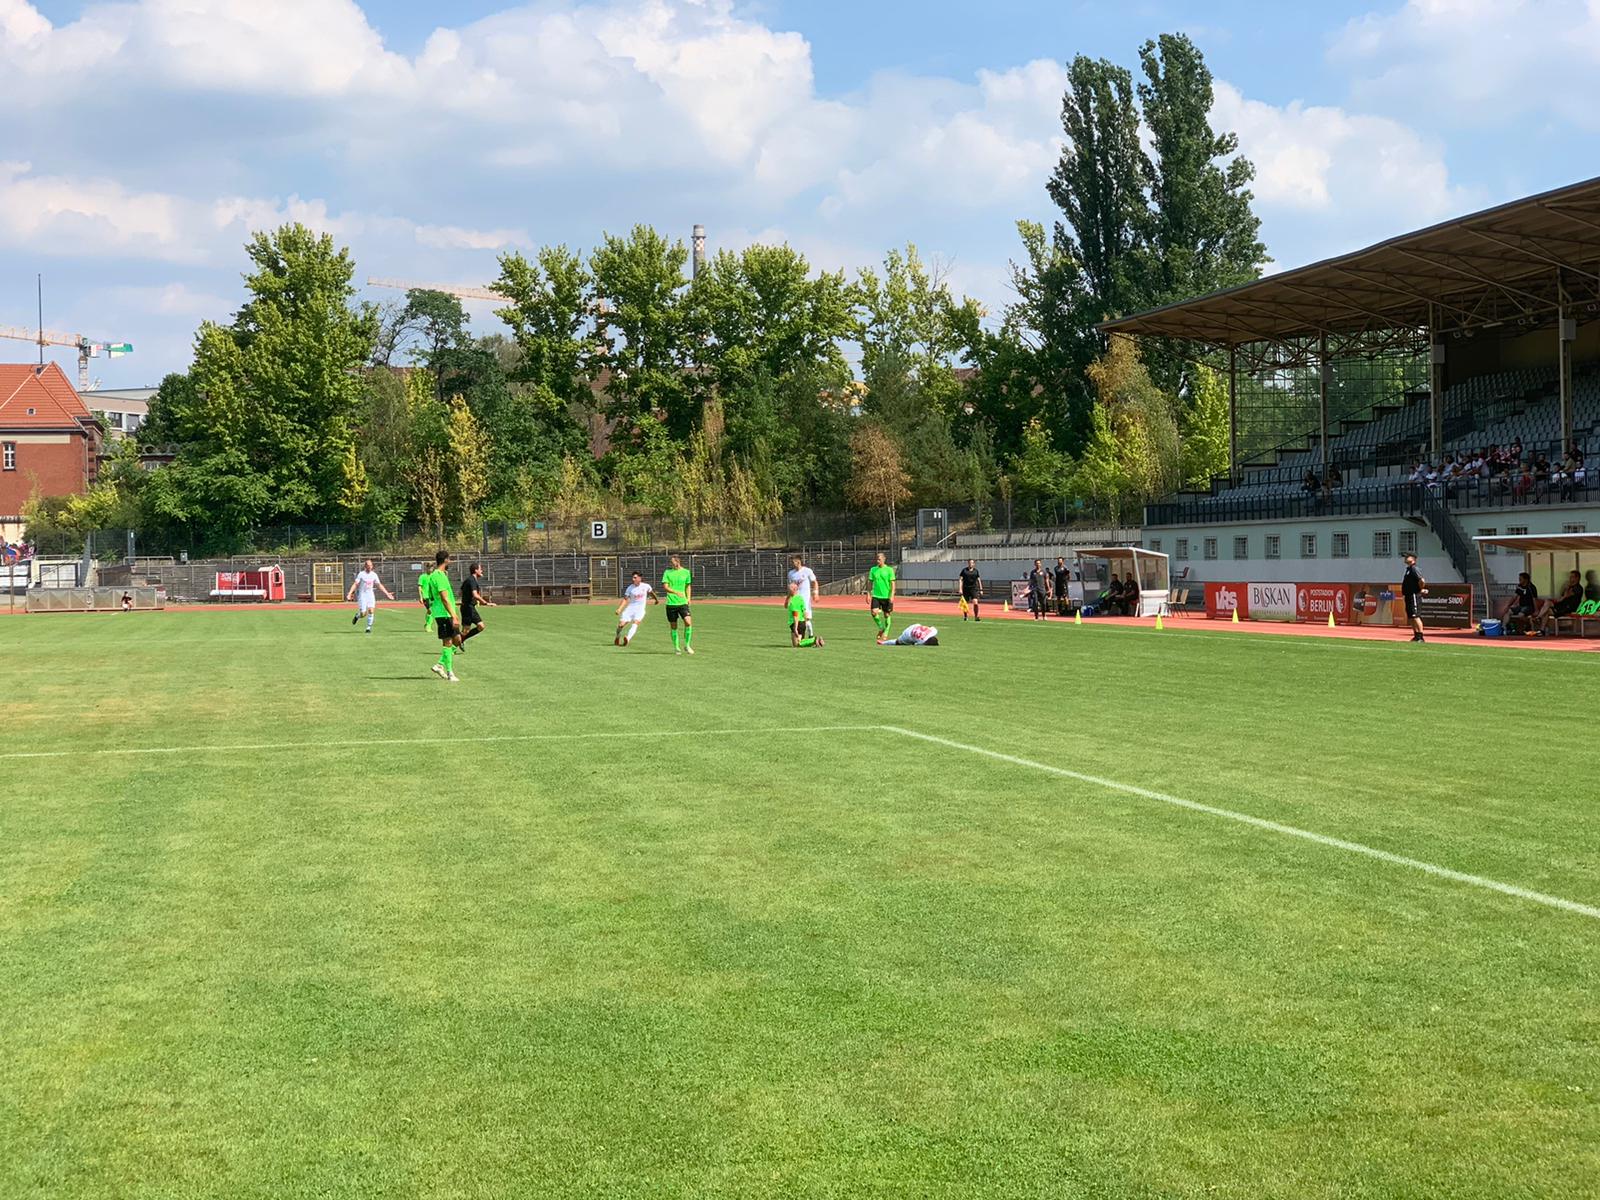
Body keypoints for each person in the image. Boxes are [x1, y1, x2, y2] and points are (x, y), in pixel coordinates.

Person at [425, 549, 462, 681]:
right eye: (449, 559)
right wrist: (453, 615)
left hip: (446, 612)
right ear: (445, 560)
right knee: (448, 642)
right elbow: (444, 598)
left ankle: (440, 664)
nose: (450, 561)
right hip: (443, 613)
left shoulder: (439, 575)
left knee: (458, 639)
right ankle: (450, 672)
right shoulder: (438, 576)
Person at [347, 558, 394, 634]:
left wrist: (387, 593)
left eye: (371, 565)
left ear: (372, 566)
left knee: (371, 611)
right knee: (363, 614)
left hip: (370, 595)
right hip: (362, 595)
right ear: (365, 566)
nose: (369, 567)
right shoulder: (361, 574)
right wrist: (350, 593)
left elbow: (379, 584)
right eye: (368, 565)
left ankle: (368, 628)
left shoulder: (374, 575)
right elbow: (355, 584)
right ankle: (357, 616)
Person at [661, 554, 694, 655]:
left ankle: (687, 645)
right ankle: (676, 647)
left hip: (682, 603)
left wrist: (688, 598)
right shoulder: (667, 572)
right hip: (671, 603)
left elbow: (688, 586)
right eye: (670, 562)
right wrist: (675, 592)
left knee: (688, 622)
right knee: (674, 626)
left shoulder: (686, 572)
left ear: (678, 561)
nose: (671, 564)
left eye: (673, 562)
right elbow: (665, 587)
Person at [457, 562, 494, 651]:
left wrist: (465, 598)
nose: (482, 571)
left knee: (477, 627)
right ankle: (454, 644)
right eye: (480, 569)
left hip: (468, 607)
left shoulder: (468, 580)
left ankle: (460, 640)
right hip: (468, 608)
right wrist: (486, 603)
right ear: (475, 570)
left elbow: (460, 592)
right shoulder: (472, 580)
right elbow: (475, 595)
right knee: (468, 630)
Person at [614, 571, 657, 646]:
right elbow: (625, 599)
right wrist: (619, 609)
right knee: (621, 625)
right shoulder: (630, 588)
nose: (633, 579)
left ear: (640, 578)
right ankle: (617, 636)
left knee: (636, 622)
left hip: (640, 610)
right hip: (630, 609)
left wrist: (656, 599)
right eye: (633, 577)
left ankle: (627, 638)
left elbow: (651, 593)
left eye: (635, 577)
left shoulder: (646, 586)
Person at [1539, 569, 1583, 635]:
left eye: (1572, 577)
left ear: (1577, 578)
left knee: (1547, 611)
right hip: (1561, 605)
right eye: (1570, 577)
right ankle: (1539, 619)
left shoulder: (1578, 588)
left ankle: (1541, 626)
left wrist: (1566, 589)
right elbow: (1562, 597)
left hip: (1568, 607)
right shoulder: (1569, 587)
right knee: (1547, 602)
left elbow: (1565, 596)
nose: (1570, 579)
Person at [867, 551, 896, 639]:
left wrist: (892, 595)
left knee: (887, 615)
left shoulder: (889, 570)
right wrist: (868, 594)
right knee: (873, 612)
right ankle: (881, 627)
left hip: (886, 596)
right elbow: (870, 582)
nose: (877, 561)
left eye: (879, 559)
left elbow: (893, 583)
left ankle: (886, 632)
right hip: (876, 595)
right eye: (877, 559)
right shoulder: (873, 569)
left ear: (884, 559)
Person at [787, 581, 823, 647]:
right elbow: (804, 611)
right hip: (802, 622)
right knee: (798, 643)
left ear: (794, 590)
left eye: (789, 589)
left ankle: (814, 640)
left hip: (797, 623)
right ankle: (815, 641)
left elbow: (796, 616)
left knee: (797, 644)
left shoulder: (793, 602)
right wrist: (805, 622)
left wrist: (795, 628)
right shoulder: (800, 598)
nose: (788, 591)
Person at [1401, 552, 1427, 643]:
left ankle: (1420, 636)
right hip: (1408, 595)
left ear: (1413, 559)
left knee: (1416, 616)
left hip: (1414, 595)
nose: (1405, 558)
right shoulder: (1408, 569)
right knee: (1411, 616)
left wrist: (1420, 589)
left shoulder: (1414, 569)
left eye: (1407, 557)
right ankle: (1416, 635)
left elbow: (1422, 580)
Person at [786, 555, 818, 625]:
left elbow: (814, 582)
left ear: (798, 562)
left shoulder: (807, 571)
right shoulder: (790, 573)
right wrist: (788, 598)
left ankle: (808, 631)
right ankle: (799, 631)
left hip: (805, 597)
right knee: (796, 616)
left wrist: (815, 593)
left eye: (793, 562)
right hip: (795, 598)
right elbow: (790, 587)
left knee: (805, 616)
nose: (792, 564)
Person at [417, 564, 436, 632]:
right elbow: (419, 587)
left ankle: (427, 624)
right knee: (430, 610)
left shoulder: (434, 576)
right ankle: (428, 626)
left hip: (433, 596)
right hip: (425, 596)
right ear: (426, 568)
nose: (430, 569)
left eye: (431, 568)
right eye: (429, 568)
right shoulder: (422, 576)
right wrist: (421, 597)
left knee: (432, 611)